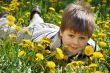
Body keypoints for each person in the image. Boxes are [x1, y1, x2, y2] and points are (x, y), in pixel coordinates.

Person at [0, 3, 99, 59]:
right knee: (9, 33)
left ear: (88, 38)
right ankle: (4, 18)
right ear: (62, 32)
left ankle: (36, 15)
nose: (75, 42)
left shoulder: (92, 48)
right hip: (35, 35)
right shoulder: (47, 46)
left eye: (82, 38)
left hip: (51, 28)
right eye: (71, 36)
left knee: (38, 23)